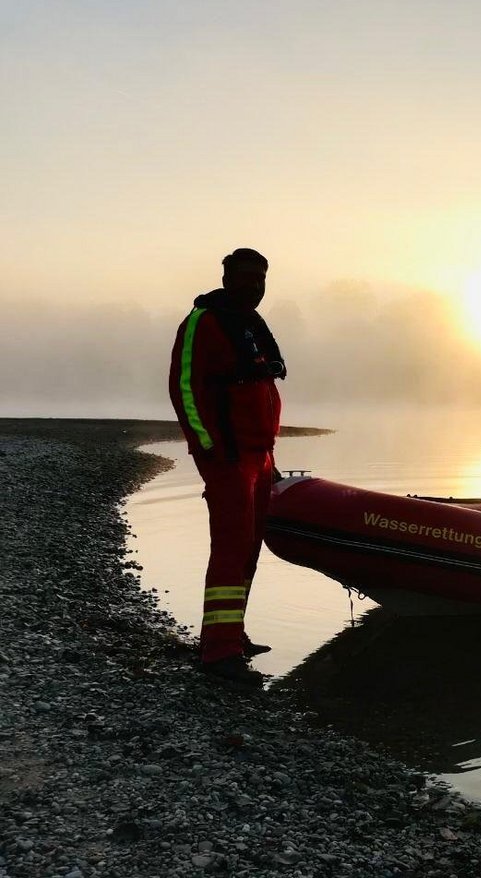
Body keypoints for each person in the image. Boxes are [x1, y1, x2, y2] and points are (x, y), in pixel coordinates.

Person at [168, 248, 286, 687]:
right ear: (227, 278)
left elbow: (260, 388)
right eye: (246, 277)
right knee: (230, 549)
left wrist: (271, 457)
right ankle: (219, 653)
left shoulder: (251, 325)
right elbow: (184, 386)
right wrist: (207, 446)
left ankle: (233, 634)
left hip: (259, 454)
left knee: (249, 547)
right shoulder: (204, 321)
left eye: (261, 278)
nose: (254, 285)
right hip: (228, 456)